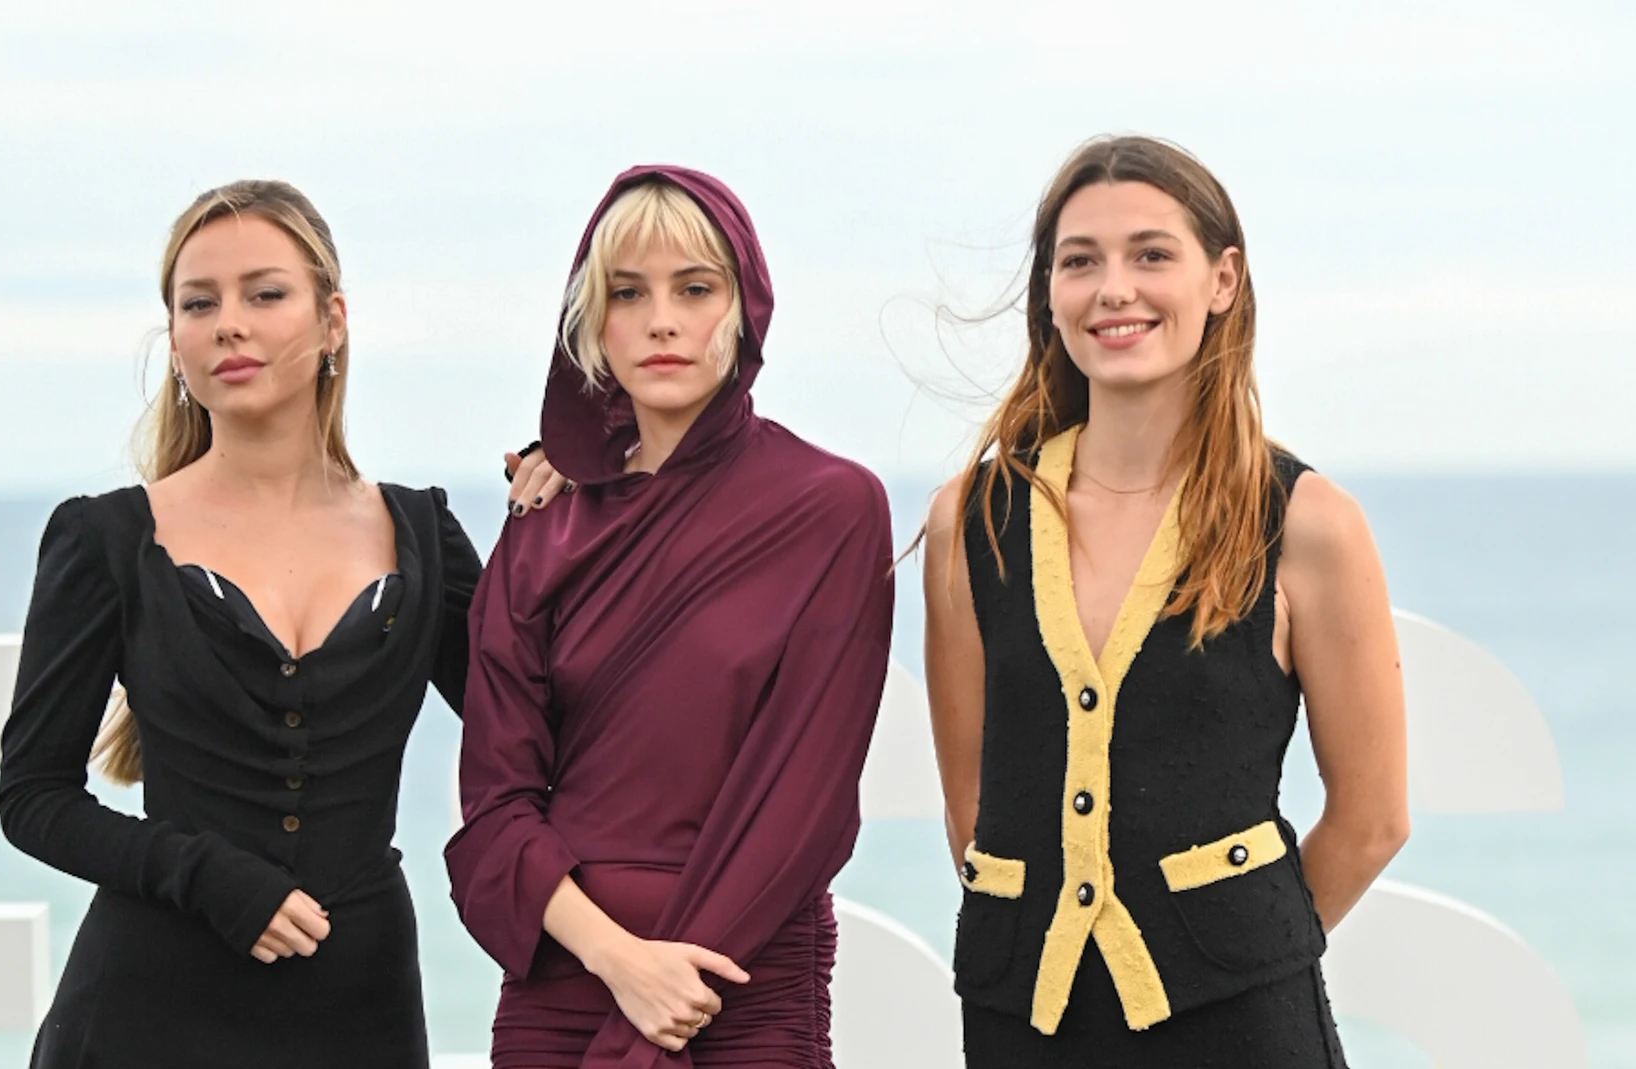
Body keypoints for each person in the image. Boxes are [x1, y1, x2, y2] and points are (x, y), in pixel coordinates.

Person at [0, 178, 555, 1067]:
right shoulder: (105, 537)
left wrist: (575, 510)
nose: (229, 323)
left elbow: (542, 721)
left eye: (265, 293)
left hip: (359, 1005)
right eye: (198, 302)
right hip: (147, 1010)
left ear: (332, 320)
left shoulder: (423, 535)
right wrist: (205, 873)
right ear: (174, 342)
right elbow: (32, 797)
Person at [921, 136, 1410, 1066]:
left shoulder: (1307, 522)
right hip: (1021, 1021)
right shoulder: (972, 520)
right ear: (1049, 294)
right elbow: (974, 808)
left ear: (1222, 279)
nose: (1115, 289)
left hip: (1242, 1026)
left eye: (1152, 254)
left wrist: (1229, 946)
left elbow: (1374, 816)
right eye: (1080, 262)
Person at [445, 165, 895, 1069]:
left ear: (744, 306)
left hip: (740, 982)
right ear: (592, 324)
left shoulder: (832, 508)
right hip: (564, 983)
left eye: (695, 288)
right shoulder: (542, 529)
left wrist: (663, 991)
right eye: (627, 293)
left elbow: (803, 798)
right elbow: (495, 805)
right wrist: (622, 965)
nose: (661, 320)